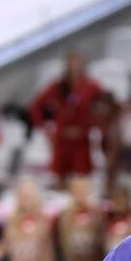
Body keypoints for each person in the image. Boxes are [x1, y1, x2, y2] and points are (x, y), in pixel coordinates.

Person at [28, 51, 103, 182]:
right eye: (72, 63)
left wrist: (93, 124)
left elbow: (105, 107)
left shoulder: (91, 86)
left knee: (81, 181)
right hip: (62, 140)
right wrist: (45, 129)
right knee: (59, 180)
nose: (75, 67)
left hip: (81, 141)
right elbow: (36, 106)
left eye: (78, 63)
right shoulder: (57, 86)